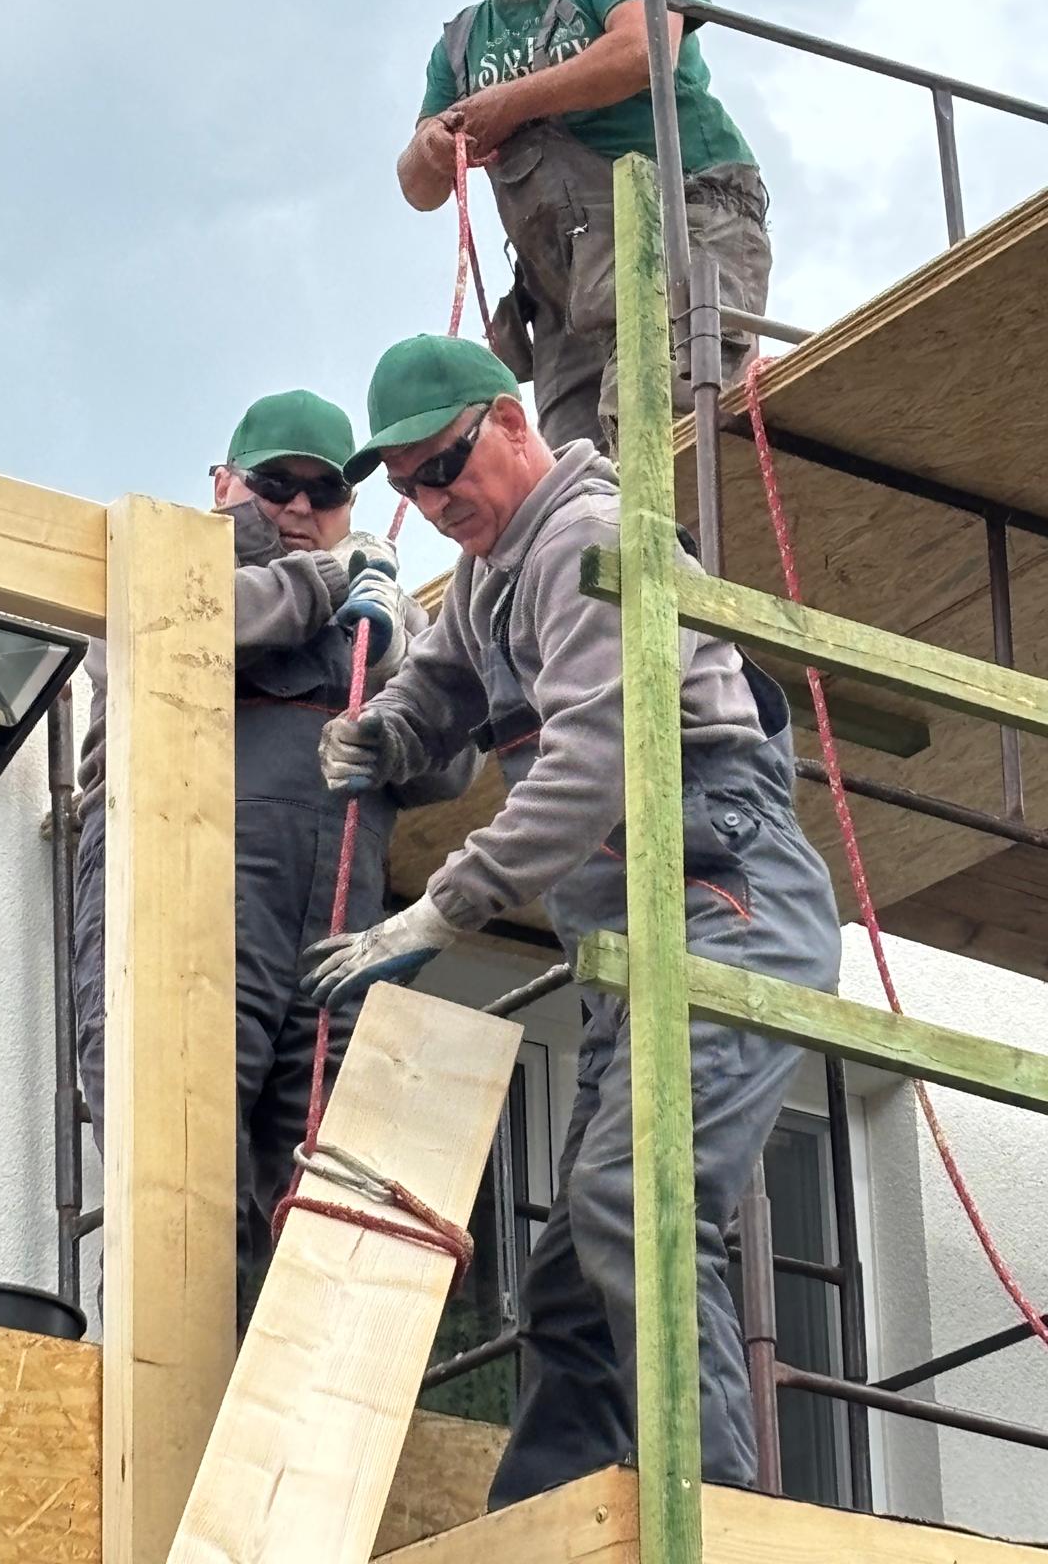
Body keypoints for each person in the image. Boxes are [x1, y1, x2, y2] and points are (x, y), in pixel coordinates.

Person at [303, 336, 840, 1499]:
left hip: (721, 895)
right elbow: (439, 684)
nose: (434, 501)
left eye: (444, 465)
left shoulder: (585, 537)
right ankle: (539, 1526)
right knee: (567, 1284)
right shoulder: (495, 573)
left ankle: (721, 1518)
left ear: (507, 420)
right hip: (633, 937)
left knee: (636, 1204)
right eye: (404, 488)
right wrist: (383, 735)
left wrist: (446, 906)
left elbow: (596, 761)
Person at [72, 388, 476, 1333]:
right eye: (276, 485)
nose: (300, 510)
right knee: (180, 1170)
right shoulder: (162, 562)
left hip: (332, 924)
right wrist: (330, 585)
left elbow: (450, 767)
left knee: (312, 1190)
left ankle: (275, 1439)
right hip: (190, 893)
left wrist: (401, 647)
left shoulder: (377, 615)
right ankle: (158, 1424)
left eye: (326, 491)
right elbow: (162, 632)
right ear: (224, 484)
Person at [398, 0, 771, 447]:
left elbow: (642, 51)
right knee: (582, 479)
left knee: (662, 431)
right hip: (565, 290)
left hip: (680, 229)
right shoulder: (463, 41)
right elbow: (418, 189)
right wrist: (431, 144)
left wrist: (509, 103)